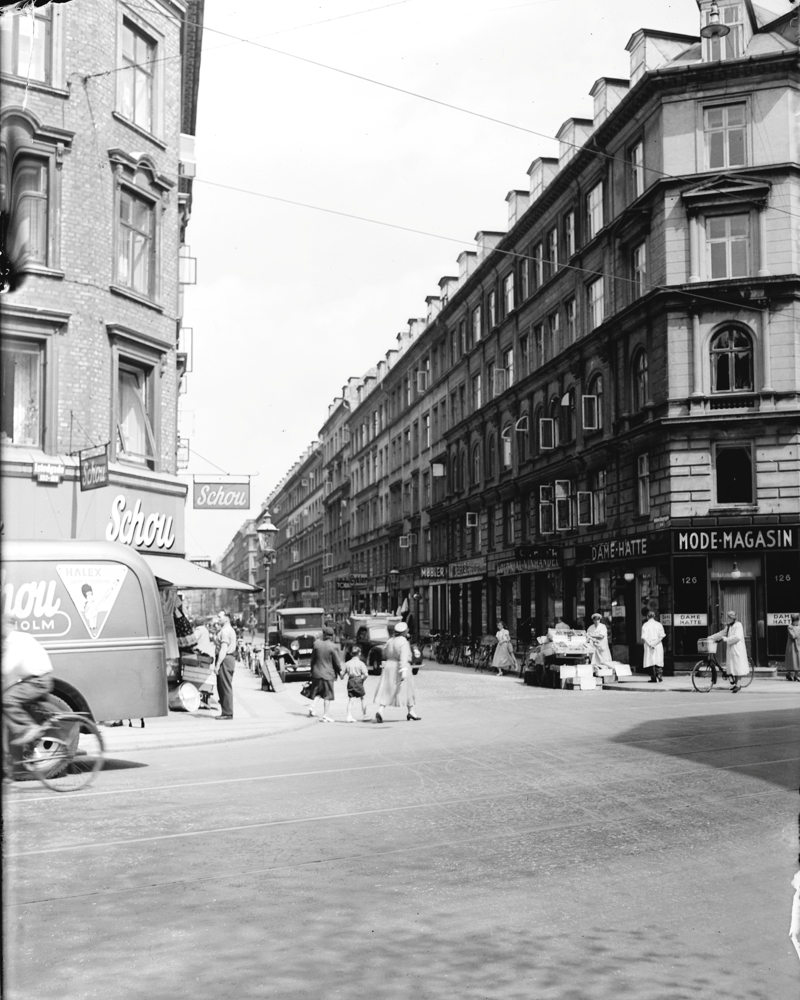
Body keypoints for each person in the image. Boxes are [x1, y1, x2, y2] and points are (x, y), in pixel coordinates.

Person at [2, 614, 55, 746]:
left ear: (10, 625)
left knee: (7, 699)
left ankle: (29, 728)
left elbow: (6, 667)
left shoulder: (18, 640)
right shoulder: (10, 642)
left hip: (39, 682)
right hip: (32, 681)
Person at [373, 621, 420, 722]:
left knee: (387, 689)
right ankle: (411, 711)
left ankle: (380, 710)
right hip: (400, 666)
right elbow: (403, 657)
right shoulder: (404, 642)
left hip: (389, 666)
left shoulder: (390, 640)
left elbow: (384, 653)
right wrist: (403, 671)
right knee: (408, 688)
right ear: (404, 632)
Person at [307, 626, 342, 722]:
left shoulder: (316, 644)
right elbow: (337, 663)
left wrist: (311, 671)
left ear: (324, 635)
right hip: (327, 674)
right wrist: (340, 672)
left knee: (318, 692)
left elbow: (312, 660)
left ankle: (312, 706)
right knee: (327, 695)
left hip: (316, 673)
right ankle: (325, 715)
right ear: (332, 636)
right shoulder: (333, 646)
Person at [709, 610, 749, 693]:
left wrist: (727, 639)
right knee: (733, 667)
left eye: (730, 618)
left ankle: (738, 685)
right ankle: (735, 684)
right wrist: (712, 637)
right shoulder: (729, 626)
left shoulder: (738, 625)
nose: (728, 619)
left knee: (738, 667)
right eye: (728, 618)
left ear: (733, 618)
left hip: (737, 649)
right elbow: (722, 633)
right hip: (731, 649)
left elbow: (737, 637)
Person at [214, 609, 238, 719]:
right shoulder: (229, 630)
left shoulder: (225, 631)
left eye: (220, 617)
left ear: (227, 618)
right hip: (229, 659)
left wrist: (218, 664)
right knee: (223, 685)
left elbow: (223, 649)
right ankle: (225, 711)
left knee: (225, 686)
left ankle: (227, 713)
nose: (218, 619)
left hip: (225, 659)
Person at [342, 645, 369, 722]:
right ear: (359, 653)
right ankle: (364, 715)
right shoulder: (361, 664)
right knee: (362, 698)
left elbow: (342, 673)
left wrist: (341, 676)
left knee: (351, 699)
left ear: (351, 653)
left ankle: (349, 716)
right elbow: (366, 674)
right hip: (358, 679)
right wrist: (362, 679)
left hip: (350, 680)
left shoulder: (347, 663)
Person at [642, 610, 666, 683]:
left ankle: (653, 677)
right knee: (658, 660)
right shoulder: (659, 624)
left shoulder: (645, 625)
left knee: (650, 660)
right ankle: (659, 674)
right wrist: (655, 643)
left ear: (647, 616)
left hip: (649, 644)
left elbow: (644, 637)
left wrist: (650, 644)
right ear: (654, 616)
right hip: (657, 644)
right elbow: (662, 636)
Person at [785, 614, 800, 682]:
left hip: (798, 645)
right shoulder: (790, 627)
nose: (798, 622)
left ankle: (796, 676)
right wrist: (798, 630)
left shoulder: (798, 627)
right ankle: (788, 674)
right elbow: (793, 636)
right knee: (791, 660)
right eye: (797, 621)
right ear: (794, 621)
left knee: (798, 660)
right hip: (792, 646)